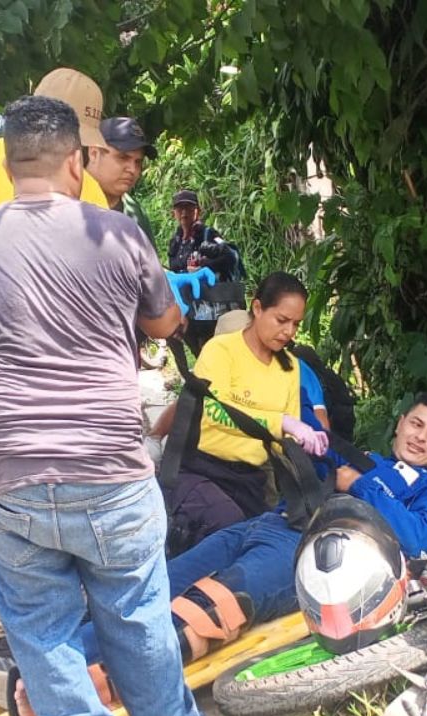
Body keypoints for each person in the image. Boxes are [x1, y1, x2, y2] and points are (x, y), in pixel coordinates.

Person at [0, 392, 427, 709]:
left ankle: (57, 694)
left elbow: (419, 538)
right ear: (400, 424)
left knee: (211, 606)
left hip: (312, 554)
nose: (420, 437)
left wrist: (361, 485)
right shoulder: (360, 455)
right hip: (266, 526)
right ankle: (42, 670)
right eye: (415, 424)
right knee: (147, 593)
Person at [0, 95, 198, 716]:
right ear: (78, 162)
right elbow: (164, 325)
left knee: (45, 643)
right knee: (142, 634)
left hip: (9, 479)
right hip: (108, 469)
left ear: (6, 165)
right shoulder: (115, 231)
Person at [0, 66, 113, 665]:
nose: (71, 156)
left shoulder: (88, 184)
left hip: (60, 346)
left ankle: (68, 603)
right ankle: (11, 619)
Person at [166, 271, 327, 551]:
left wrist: (304, 445)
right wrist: (283, 423)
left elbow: (282, 440)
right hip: (203, 469)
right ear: (257, 308)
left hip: (252, 480)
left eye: (296, 324)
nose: (289, 332)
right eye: (282, 320)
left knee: (270, 544)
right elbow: (214, 411)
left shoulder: (289, 367)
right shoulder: (221, 350)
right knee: (228, 533)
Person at [167, 189, 245, 353]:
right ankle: (194, 376)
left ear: (197, 211)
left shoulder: (208, 234)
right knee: (189, 344)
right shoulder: (175, 241)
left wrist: (207, 263)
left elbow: (232, 256)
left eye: (188, 207)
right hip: (186, 306)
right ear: (173, 212)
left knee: (211, 348)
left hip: (209, 307)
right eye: (179, 208)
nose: (184, 213)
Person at [93, 116, 157, 244]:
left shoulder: (136, 213)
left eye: (138, 162)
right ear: (94, 153)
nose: (132, 169)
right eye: (122, 157)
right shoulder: (70, 203)